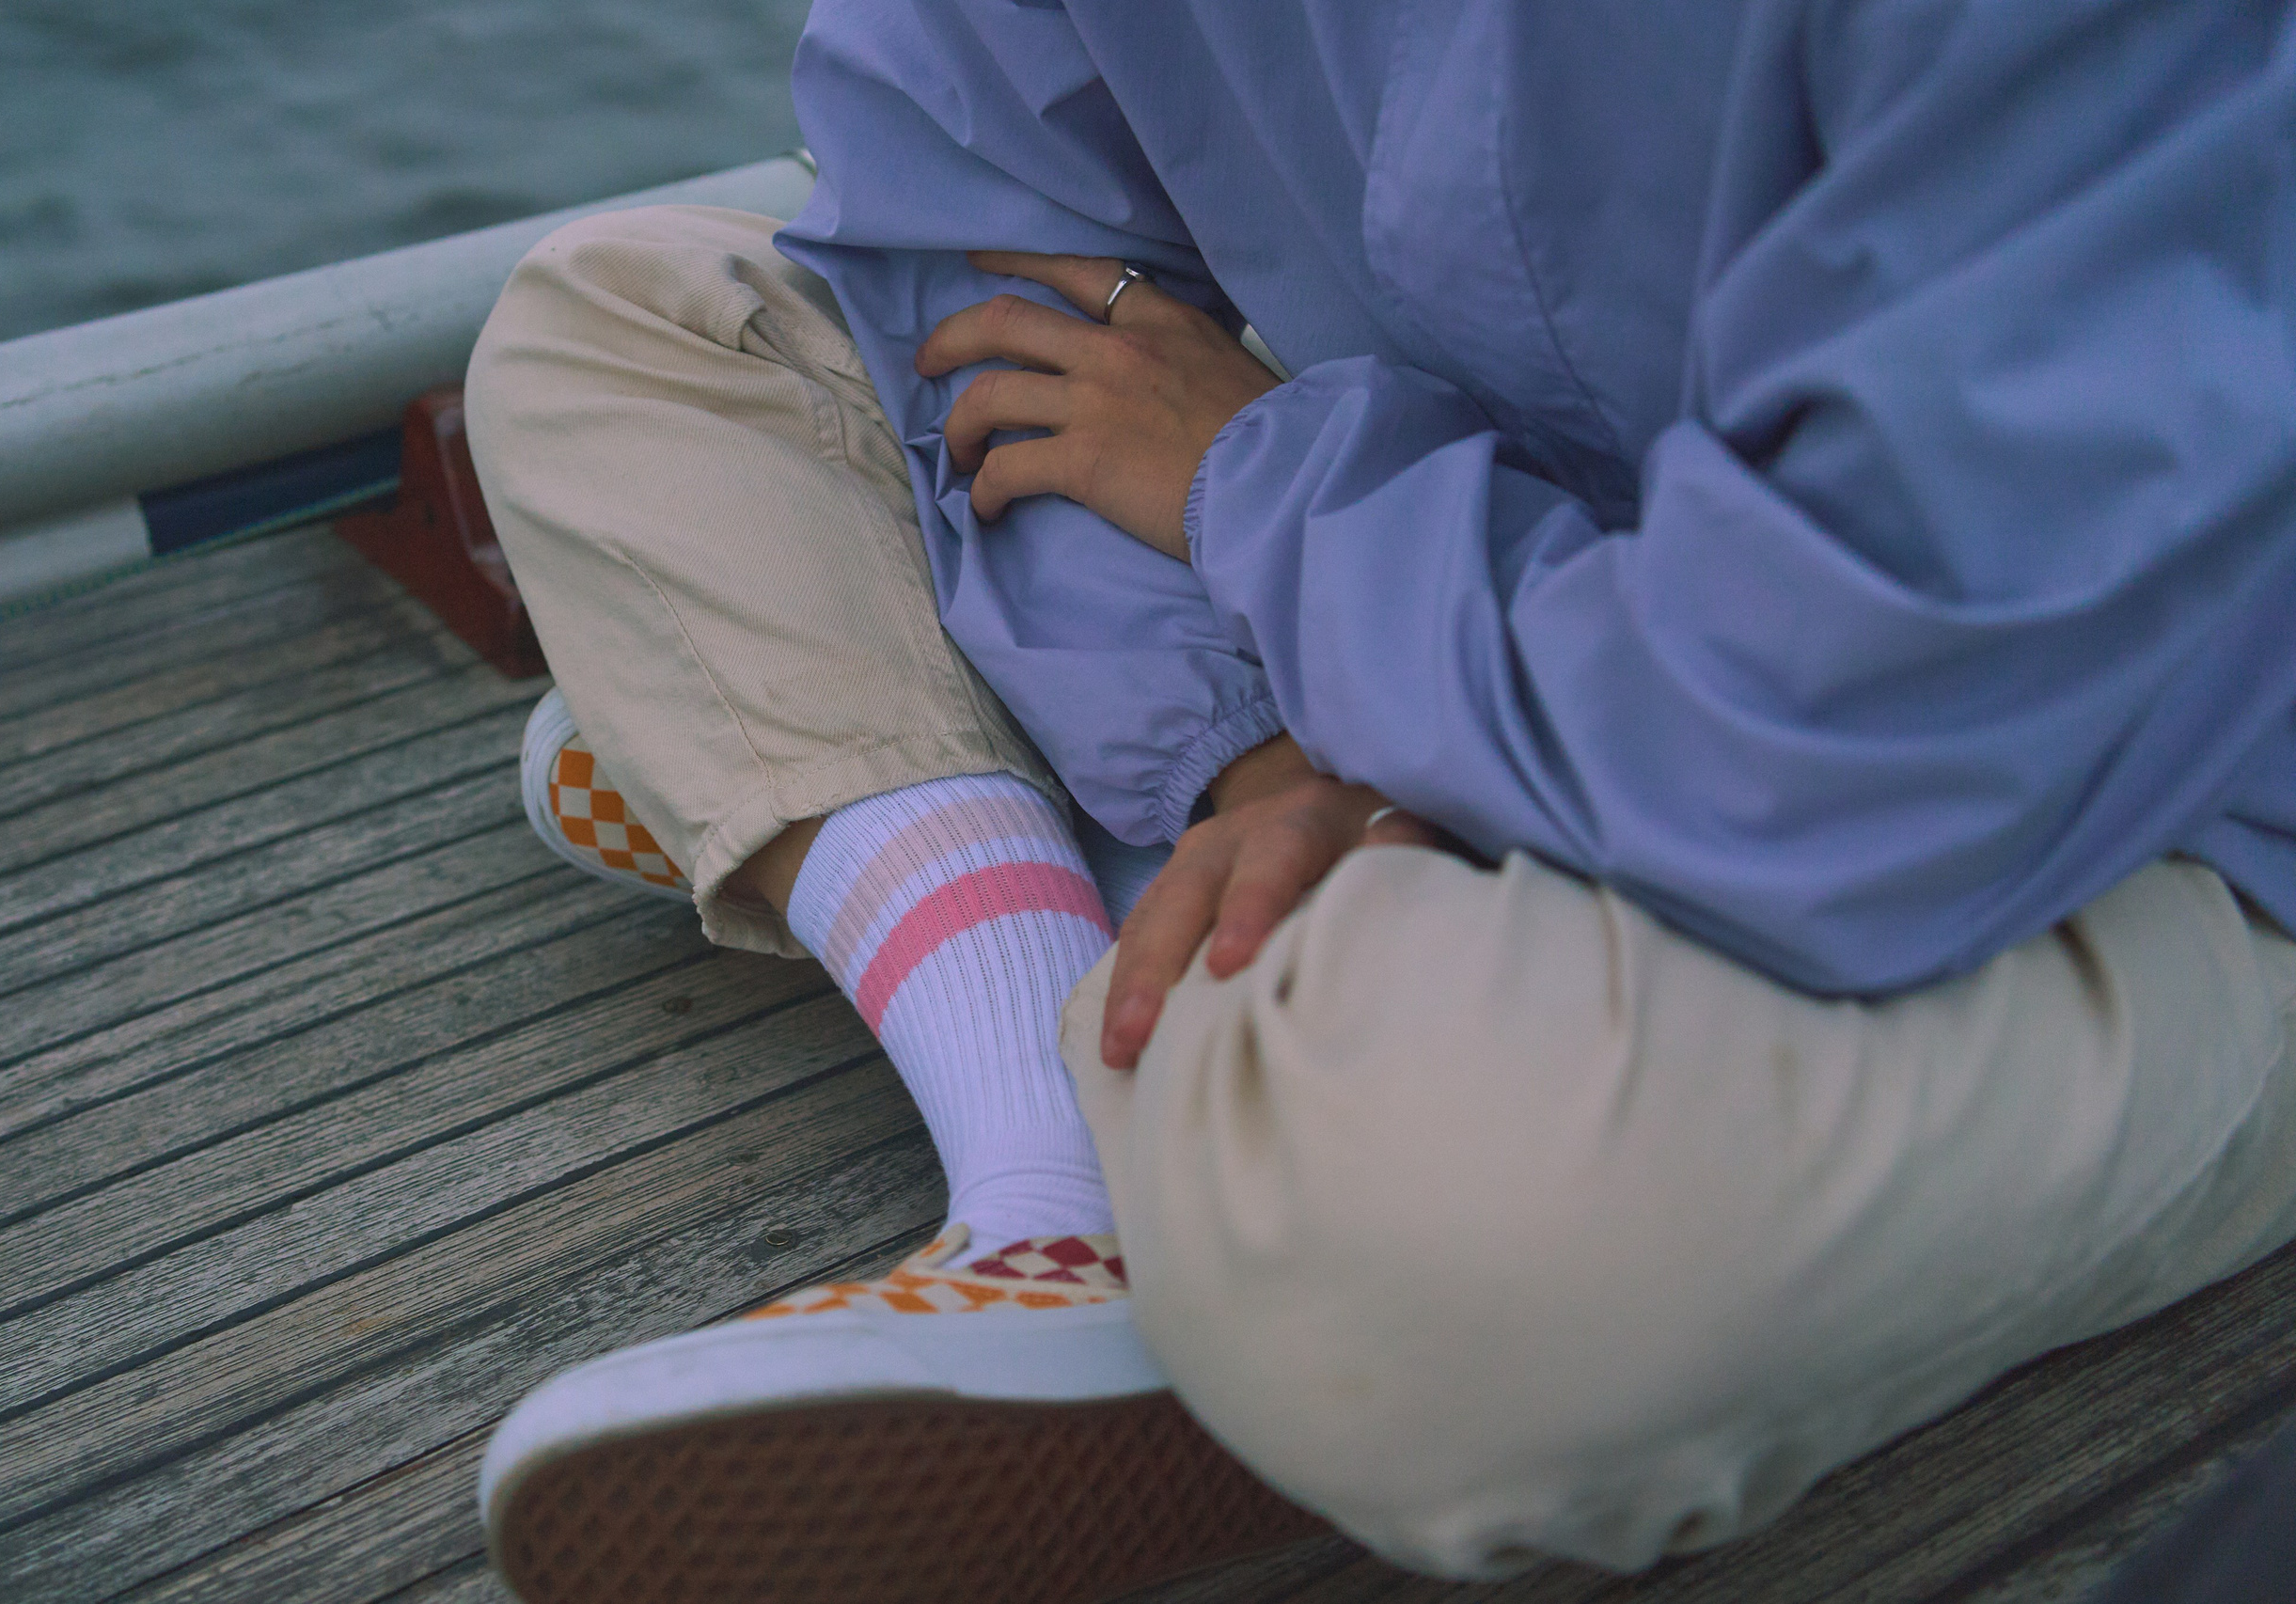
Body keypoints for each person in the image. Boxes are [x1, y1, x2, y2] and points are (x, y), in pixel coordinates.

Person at [463, 3, 2296, 1600]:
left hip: (2089, 798)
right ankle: (1065, 1166)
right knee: (625, 326)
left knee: (1451, 1239)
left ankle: (869, 799)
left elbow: (1834, 755)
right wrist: (1269, 758)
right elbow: (985, 262)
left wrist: (1260, 490)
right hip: (1500, 647)